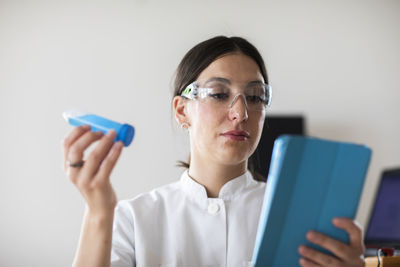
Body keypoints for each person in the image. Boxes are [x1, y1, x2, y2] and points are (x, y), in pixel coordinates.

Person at [62, 36, 365, 267]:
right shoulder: (132, 219)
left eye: (256, 97)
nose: (240, 112)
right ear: (182, 111)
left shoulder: (303, 221)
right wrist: (99, 213)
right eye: (219, 94)